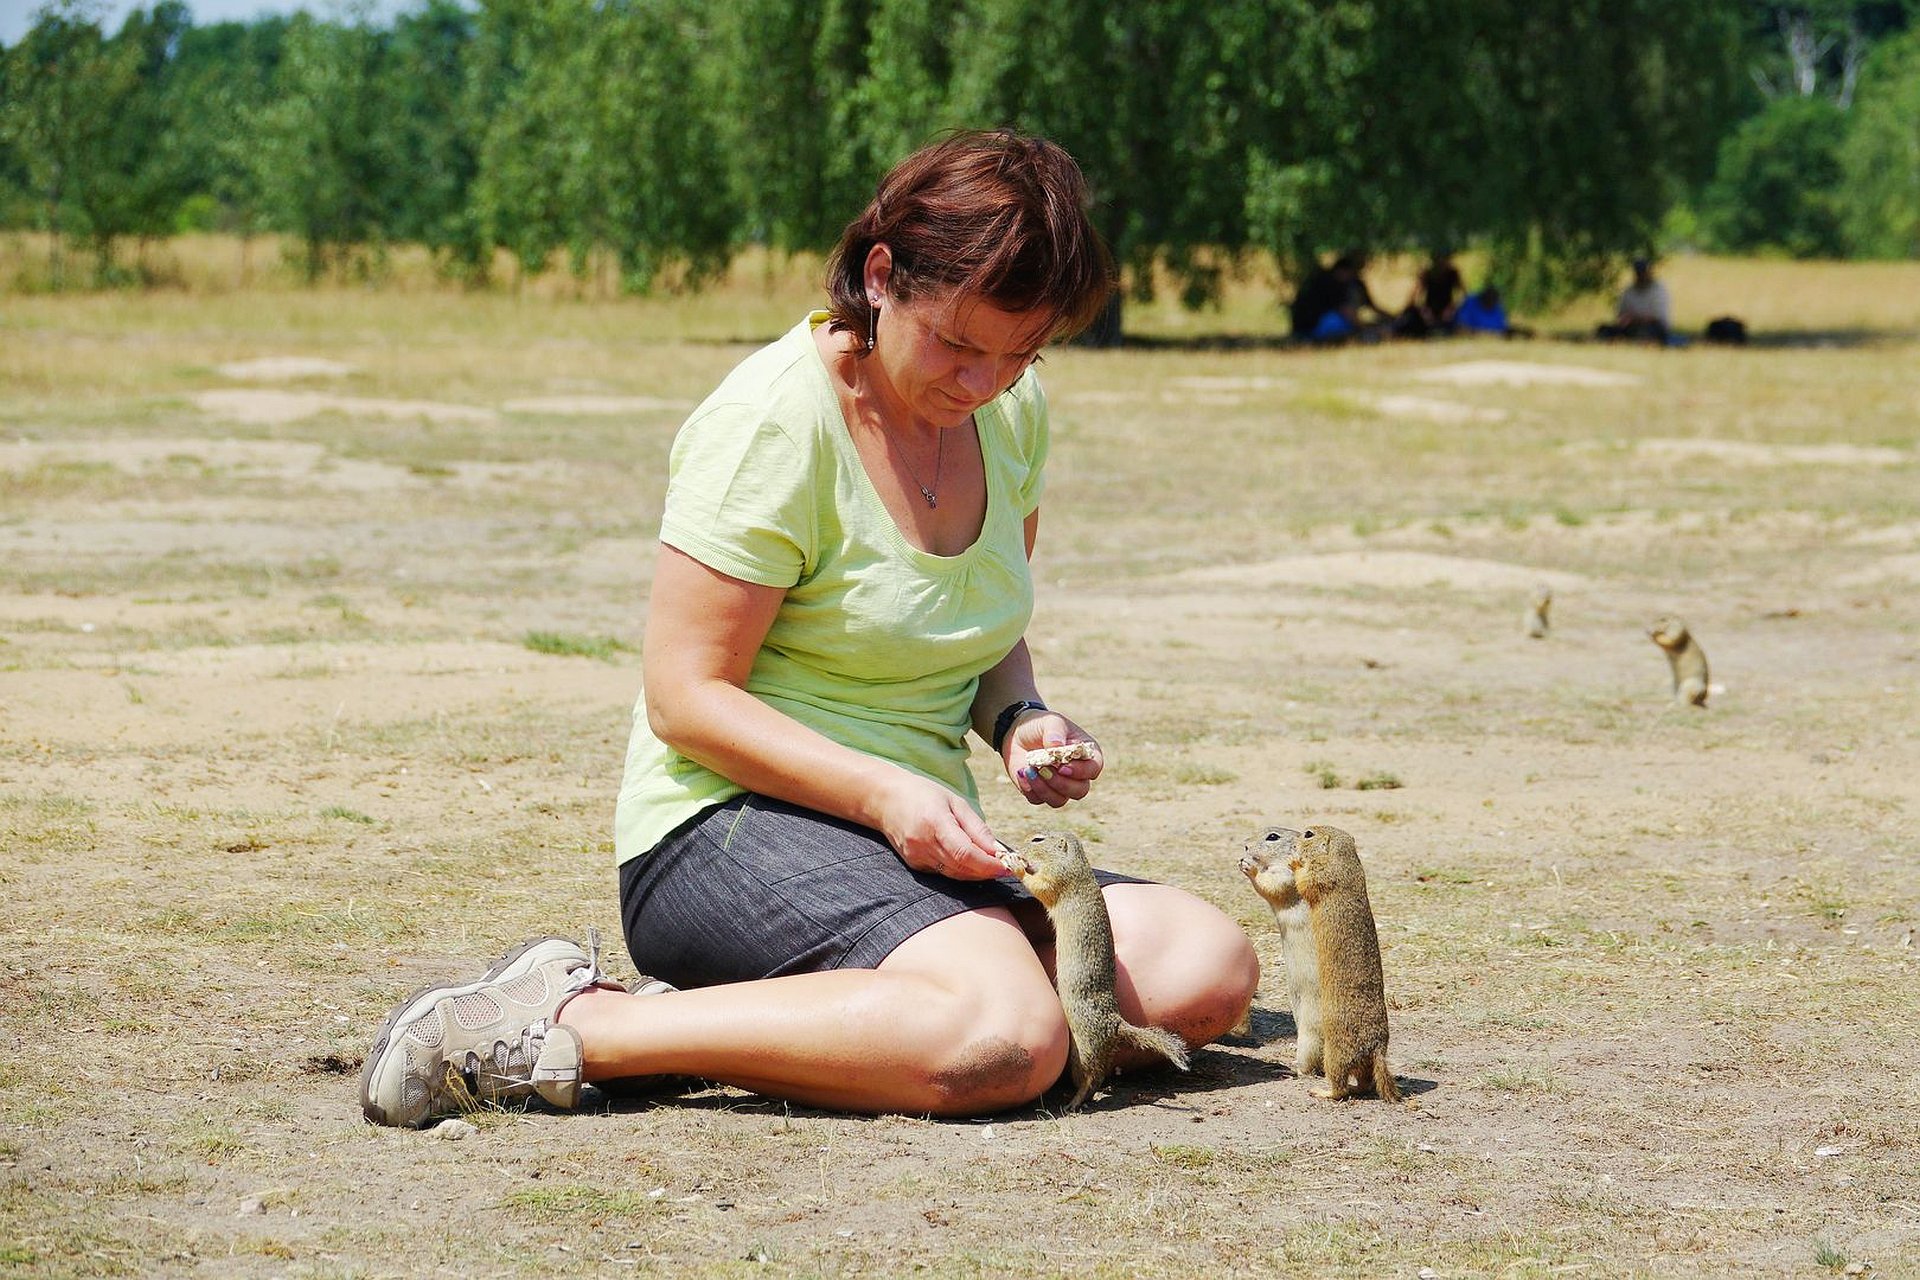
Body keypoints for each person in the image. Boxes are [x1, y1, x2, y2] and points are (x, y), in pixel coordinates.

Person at [359, 129, 1260, 1128]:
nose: (984, 384)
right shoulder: (773, 423)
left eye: (1021, 354)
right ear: (881, 277)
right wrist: (883, 792)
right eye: (959, 345)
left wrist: (1020, 719)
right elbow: (684, 699)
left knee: (1203, 964)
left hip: (919, 841)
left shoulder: (1012, 414)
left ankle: (802, 1027)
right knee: (1006, 1034)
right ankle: (570, 1024)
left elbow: (978, 625)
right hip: (722, 829)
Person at [1290, 251, 1387, 343]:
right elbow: (1345, 311)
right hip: (1313, 327)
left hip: (1307, 326)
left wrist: (1388, 317)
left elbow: (1370, 306)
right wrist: (1365, 328)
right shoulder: (1329, 283)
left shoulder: (1350, 283)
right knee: (1336, 320)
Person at [1597, 257, 1671, 343]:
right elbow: (1621, 313)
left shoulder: (1658, 290)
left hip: (1653, 327)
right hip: (1632, 326)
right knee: (1604, 329)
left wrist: (1634, 318)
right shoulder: (1629, 291)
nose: (1641, 276)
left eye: (1643, 272)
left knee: (1646, 331)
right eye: (1638, 273)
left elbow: (1657, 317)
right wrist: (1624, 319)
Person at [1393, 251, 1464, 338]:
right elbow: (1413, 297)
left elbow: (1463, 295)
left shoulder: (1453, 274)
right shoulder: (1427, 273)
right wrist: (1424, 311)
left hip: (1447, 312)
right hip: (1428, 311)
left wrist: (1452, 308)